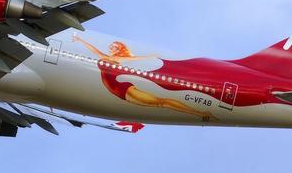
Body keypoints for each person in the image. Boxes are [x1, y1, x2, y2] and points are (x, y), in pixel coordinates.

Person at [72, 34, 211, 119]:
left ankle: (200, 113)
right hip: (117, 90)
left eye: (114, 47)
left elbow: (136, 59)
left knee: (162, 102)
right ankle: (200, 113)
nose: (110, 48)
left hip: (123, 89)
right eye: (111, 46)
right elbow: (94, 50)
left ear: (119, 49)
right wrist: (80, 40)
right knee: (161, 102)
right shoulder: (107, 57)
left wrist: (152, 56)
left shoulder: (120, 60)